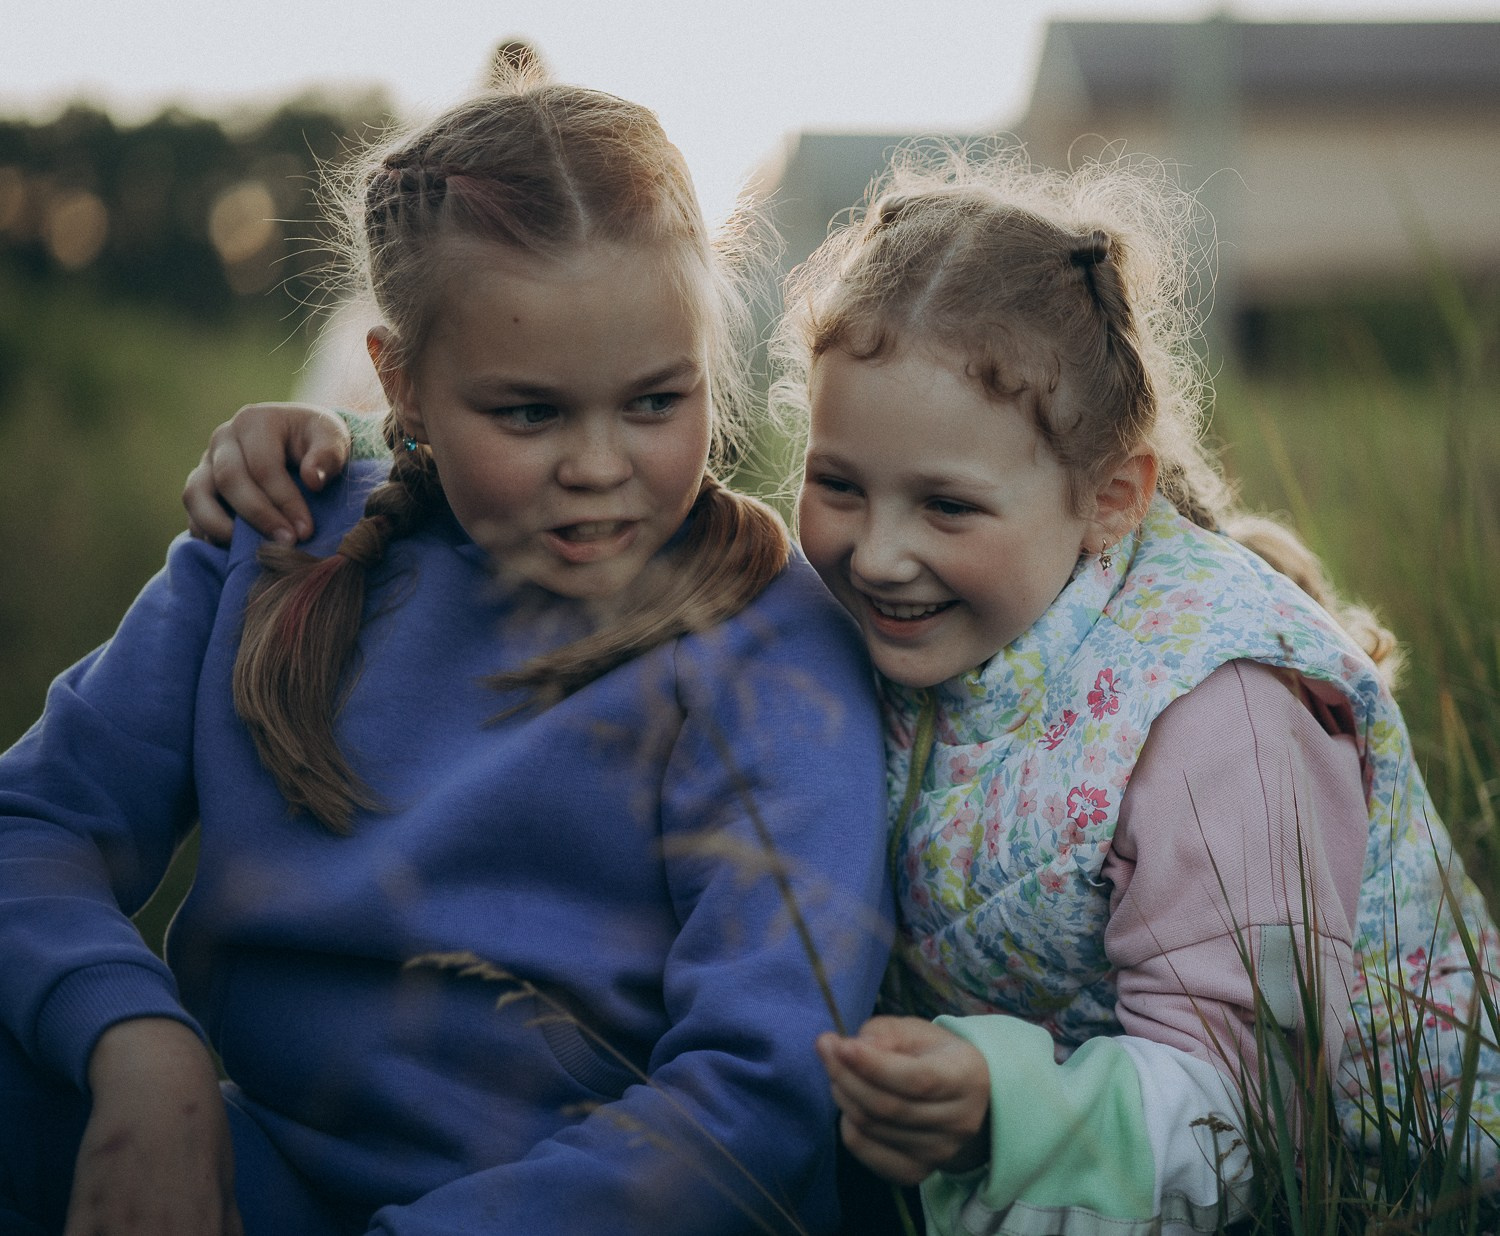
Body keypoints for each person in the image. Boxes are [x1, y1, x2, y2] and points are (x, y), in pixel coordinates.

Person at [193, 145, 1500, 1233]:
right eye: (840, 485)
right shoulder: (886, 617)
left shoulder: (1218, 715)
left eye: (946, 504)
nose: (876, 552)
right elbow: (511, 454)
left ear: (1110, 495)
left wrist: (1005, 1103)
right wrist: (331, 451)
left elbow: (1253, 1127)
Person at [0, 77, 894, 1236]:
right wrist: (137, 1044)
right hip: (248, 1173)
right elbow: (36, 826)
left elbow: (760, 1083)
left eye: (655, 402)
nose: (598, 463)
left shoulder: (771, 641)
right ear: (400, 383)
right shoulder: (272, 548)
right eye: (528, 413)